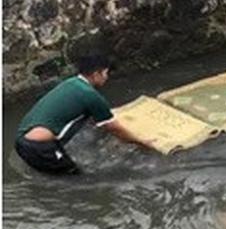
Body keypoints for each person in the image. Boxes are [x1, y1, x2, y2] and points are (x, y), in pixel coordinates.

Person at [14, 55, 151, 174]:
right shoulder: (91, 96)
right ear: (96, 74)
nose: (107, 77)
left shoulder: (69, 83)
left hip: (20, 142)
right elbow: (114, 128)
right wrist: (143, 143)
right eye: (106, 73)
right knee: (77, 179)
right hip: (38, 148)